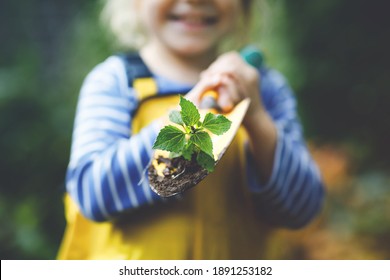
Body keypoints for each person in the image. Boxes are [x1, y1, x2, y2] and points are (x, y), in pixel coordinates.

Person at [58, 0, 325, 260]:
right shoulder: (116, 82)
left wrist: (256, 117)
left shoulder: (264, 90)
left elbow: (303, 209)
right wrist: (184, 124)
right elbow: (92, 195)